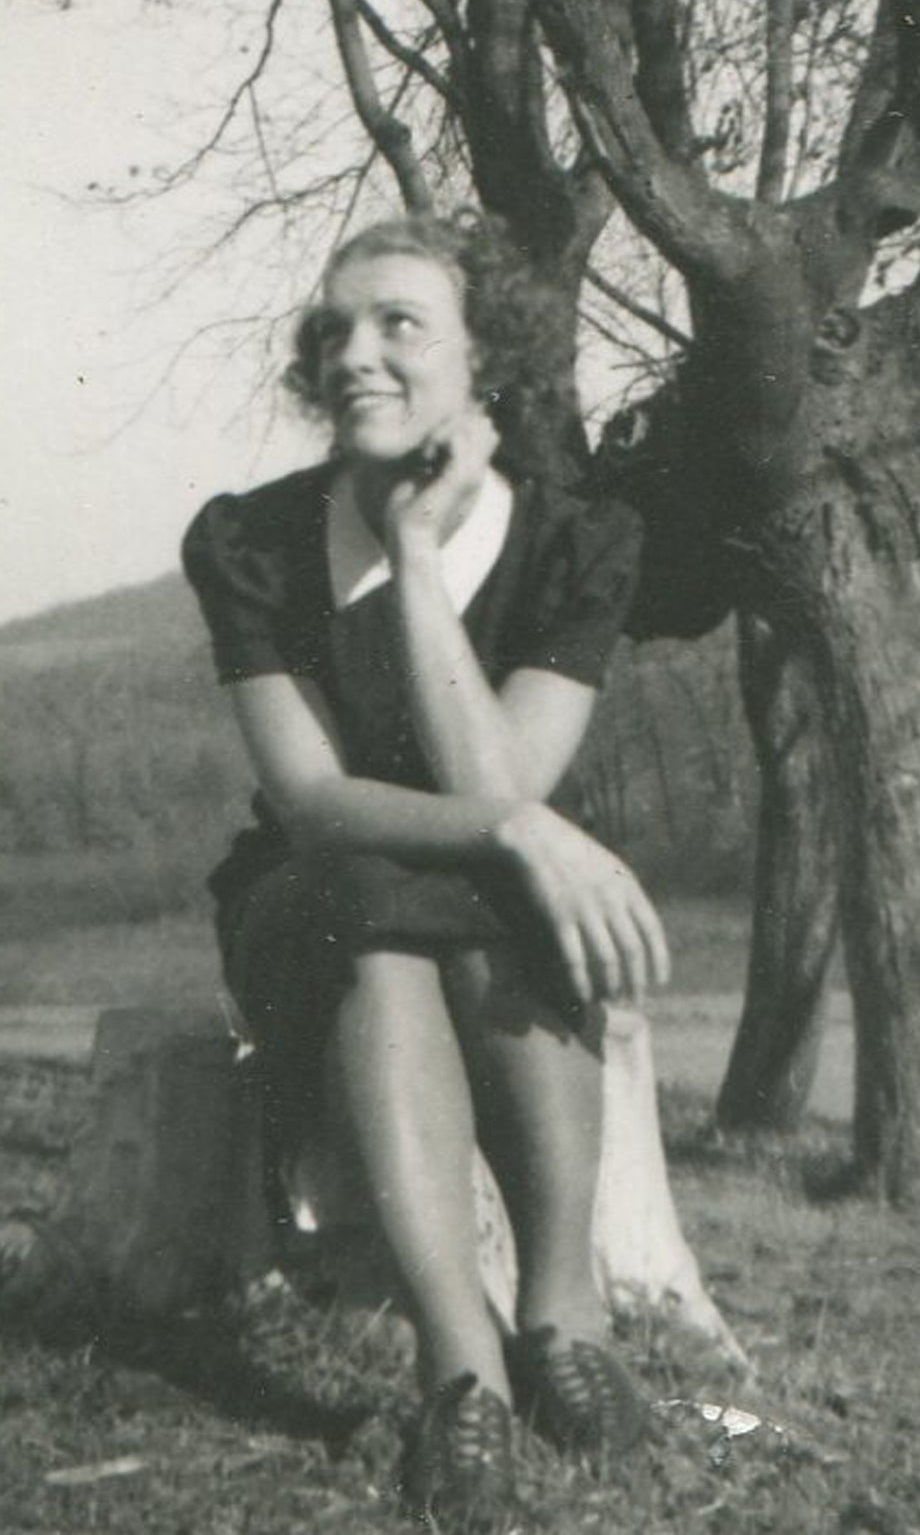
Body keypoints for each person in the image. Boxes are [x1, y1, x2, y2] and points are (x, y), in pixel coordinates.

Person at [181, 211, 671, 1530]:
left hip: (486, 907)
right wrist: (515, 830)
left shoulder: (577, 541)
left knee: (482, 898)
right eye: (334, 329)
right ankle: (465, 1367)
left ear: (485, 363)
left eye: (399, 323)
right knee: (379, 902)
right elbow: (311, 801)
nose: (356, 354)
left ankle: (561, 1310)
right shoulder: (249, 540)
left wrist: (413, 560)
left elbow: (500, 780)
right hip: (311, 904)